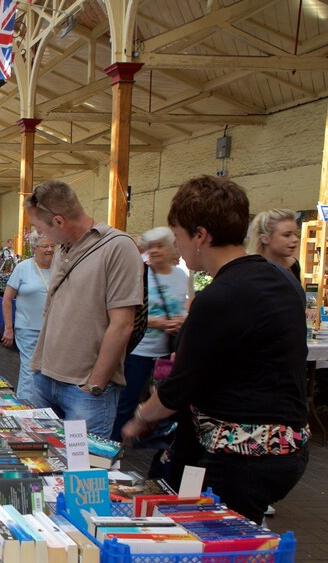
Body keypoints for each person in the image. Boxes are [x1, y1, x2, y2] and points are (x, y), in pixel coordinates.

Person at [121, 176, 309, 523]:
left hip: (239, 454)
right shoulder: (282, 280)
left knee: (217, 536)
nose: (176, 245)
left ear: (201, 235)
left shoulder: (221, 296)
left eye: (177, 234)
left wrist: (140, 418)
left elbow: (180, 385)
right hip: (283, 446)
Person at [25, 179, 144, 439]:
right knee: (42, 456)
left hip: (84, 390)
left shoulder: (117, 247)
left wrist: (95, 384)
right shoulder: (63, 249)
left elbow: (123, 323)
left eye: (39, 227)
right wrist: (39, 368)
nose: (41, 235)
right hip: (46, 377)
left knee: (85, 462)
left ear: (58, 221)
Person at [111, 227, 189, 441]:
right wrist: (159, 322)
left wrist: (181, 320)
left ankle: (152, 441)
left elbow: (185, 306)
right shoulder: (140, 274)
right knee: (126, 401)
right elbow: (130, 312)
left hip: (166, 352)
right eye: (151, 246)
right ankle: (114, 444)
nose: (154, 251)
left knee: (163, 401)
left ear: (171, 248)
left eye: (160, 246)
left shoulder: (181, 275)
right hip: (140, 351)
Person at [1, 231, 55, 405]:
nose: (50, 249)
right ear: (34, 248)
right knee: (29, 370)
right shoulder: (23, 268)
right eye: (45, 246)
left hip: (55, 330)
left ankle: (43, 407)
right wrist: (8, 328)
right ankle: (24, 407)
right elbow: (7, 299)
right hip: (28, 329)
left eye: (52, 245)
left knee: (51, 372)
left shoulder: (60, 267)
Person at [247, 209, 301, 282]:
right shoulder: (251, 271)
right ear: (265, 238)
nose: (295, 239)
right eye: (287, 235)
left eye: (295, 234)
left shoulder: (293, 265)